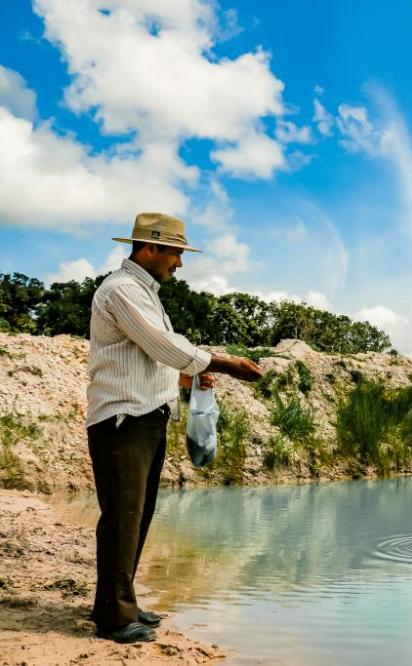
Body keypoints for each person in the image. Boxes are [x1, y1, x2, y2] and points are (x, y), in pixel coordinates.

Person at [86, 212, 263, 643]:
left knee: (137, 516)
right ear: (150, 248)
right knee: (123, 518)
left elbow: (148, 355)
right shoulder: (124, 289)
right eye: (176, 254)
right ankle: (113, 617)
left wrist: (183, 378)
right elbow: (163, 344)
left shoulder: (143, 291)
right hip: (123, 420)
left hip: (142, 418)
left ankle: (120, 601)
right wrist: (226, 363)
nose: (179, 264)